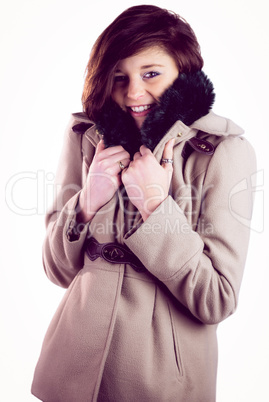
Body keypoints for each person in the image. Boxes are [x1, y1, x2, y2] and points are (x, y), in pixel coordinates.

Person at [31, 5, 256, 402]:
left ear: (183, 72)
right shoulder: (88, 139)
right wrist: (87, 202)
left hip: (161, 381)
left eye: (151, 73)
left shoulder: (222, 153)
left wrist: (155, 205)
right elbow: (56, 271)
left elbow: (217, 298)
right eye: (119, 77)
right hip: (70, 369)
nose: (133, 92)